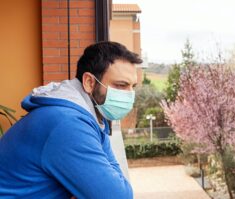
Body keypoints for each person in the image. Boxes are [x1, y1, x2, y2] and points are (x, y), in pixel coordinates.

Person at [0, 41, 142, 198]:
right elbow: (118, 196)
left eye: (132, 87)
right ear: (89, 82)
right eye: (121, 85)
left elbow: (117, 180)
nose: (129, 95)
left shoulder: (88, 117)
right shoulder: (67, 123)